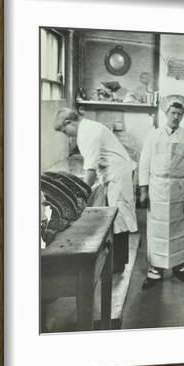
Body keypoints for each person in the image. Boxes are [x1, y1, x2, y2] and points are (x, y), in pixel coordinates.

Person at [54, 107, 138, 274]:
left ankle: (118, 264)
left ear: (69, 122)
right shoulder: (88, 127)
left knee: (119, 218)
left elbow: (90, 169)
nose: (67, 135)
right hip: (114, 174)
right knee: (118, 218)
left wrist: (81, 194)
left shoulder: (87, 132)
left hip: (117, 176)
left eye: (65, 130)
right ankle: (118, 261)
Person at [138, 95, 184, 290]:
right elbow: (144, 163)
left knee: (179, 229)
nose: (176, 117)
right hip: (157, 189)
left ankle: (179, 267)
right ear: (166, 113)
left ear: (183, 116)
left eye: (179, 114)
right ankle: (155, 271)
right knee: (157, 230)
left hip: (179, 189)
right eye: (173, 113)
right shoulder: (154, 135)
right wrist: (143, 190)